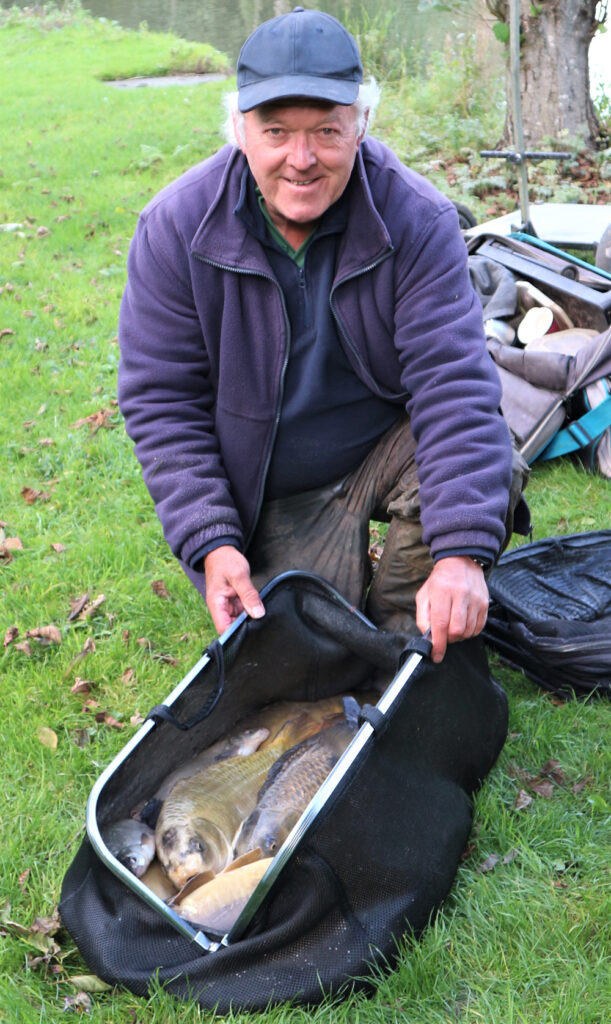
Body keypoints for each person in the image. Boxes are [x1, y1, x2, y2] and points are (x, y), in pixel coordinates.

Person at [118, 7, 527, 664]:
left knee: (486, 471)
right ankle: (327, 602)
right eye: (275, 131)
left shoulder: (416, 220)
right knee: (301, 661)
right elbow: (162, 403)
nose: (300, 160)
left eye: (326, 132)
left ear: (361, 127)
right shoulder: (173, 228)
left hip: (379, 450)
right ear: (237, 129)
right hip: (265, 488)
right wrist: (212, 541)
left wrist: (458, 556)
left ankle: (408, 624)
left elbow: (452, 386)